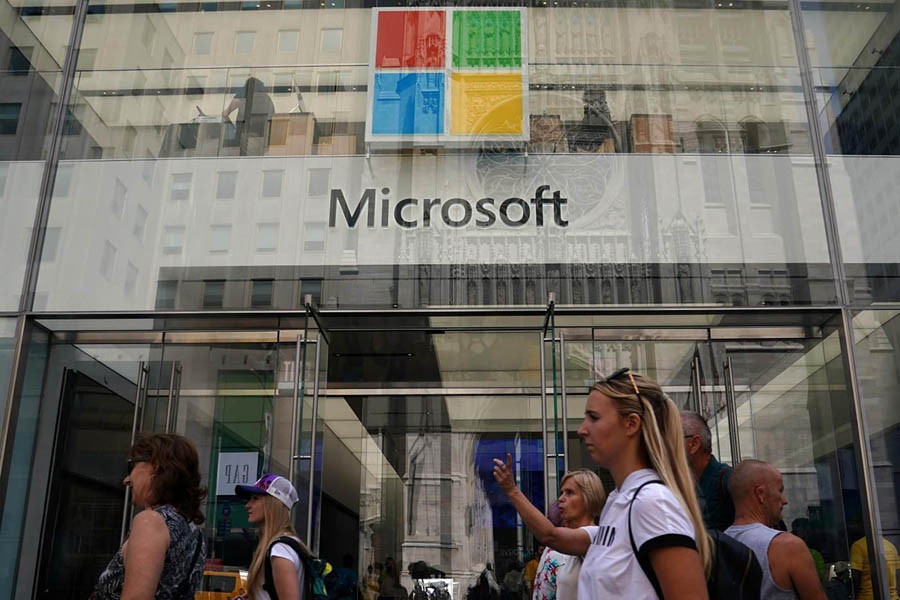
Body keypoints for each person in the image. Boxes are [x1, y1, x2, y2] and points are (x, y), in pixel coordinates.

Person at [494, 368, 710, 600]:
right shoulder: (619, 502)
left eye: (594, 418)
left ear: (631, 424)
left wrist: (512, 490)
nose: (582, 429)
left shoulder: (652, 502)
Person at [92, 433, 207, 598]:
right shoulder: (195, 534)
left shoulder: (150, 521)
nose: (126, 479)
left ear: (156, 466)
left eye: (132, 467)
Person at [725, 459, 826, 599]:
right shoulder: (788, 546)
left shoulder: (714, 547)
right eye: (780, 491)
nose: (784, 500)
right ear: (760, 494)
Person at [531, 471, 605, 600]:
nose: (561, 498)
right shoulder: (552, 548)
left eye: (569, 492)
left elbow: (549, 535)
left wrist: (512, 491)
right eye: (562, 493)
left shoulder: (597, 537)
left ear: (589, 498)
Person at [236, 473, 305, 600]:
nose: (247, 505)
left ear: (273, 504)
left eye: (255, 498)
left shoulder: (280, 550)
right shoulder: (285, 545)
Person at [681, 411, 735, 531]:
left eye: (671, 438)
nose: (664, 445)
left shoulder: (730, 482)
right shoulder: (678, 485)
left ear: (694, 444)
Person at [222, 76, 275, 156]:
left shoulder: (244, 95)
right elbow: (272, 118)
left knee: (248, 163)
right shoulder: (267, 98)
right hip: (264, 138)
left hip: (248, 136)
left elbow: (225, 113)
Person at [849, 534, 900, 600]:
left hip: (868, 597)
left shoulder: (858, 546)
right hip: (893, 597)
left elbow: (855, 576)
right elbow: (897, 575)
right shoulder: (891, 546)